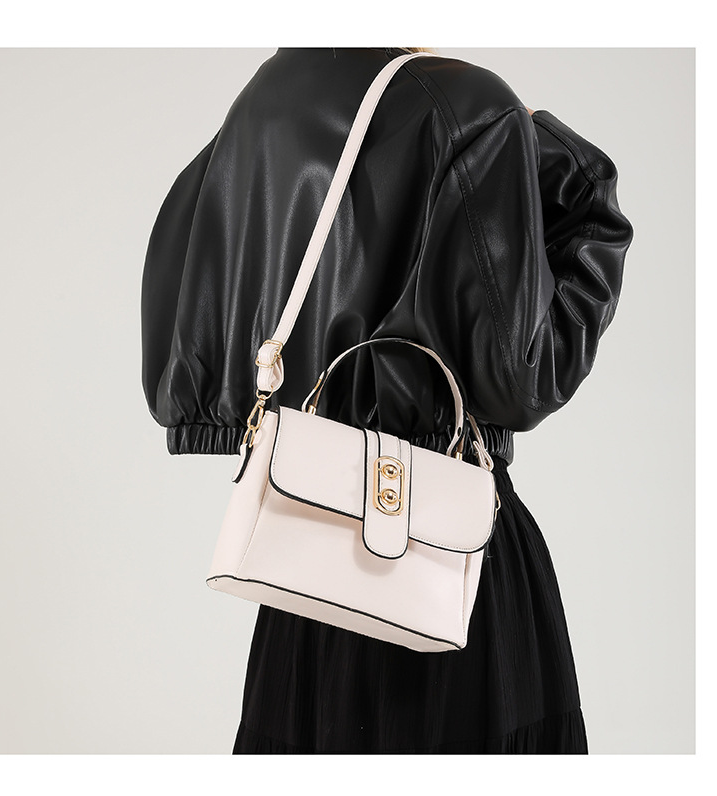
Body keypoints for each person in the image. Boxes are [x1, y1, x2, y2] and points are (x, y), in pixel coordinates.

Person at [141, 47, 634, 754]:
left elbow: (189, 310)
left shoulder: (264, 100)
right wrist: (573, 171)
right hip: (448, 556)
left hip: (306, 560)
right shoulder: (471, 106)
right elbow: (523, 382)